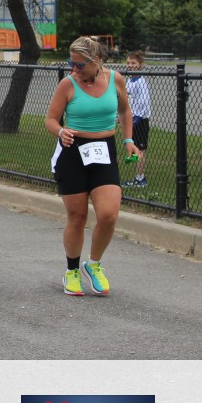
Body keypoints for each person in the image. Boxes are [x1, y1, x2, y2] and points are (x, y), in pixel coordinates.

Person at [45, 36, 139, 296]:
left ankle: (94, 264)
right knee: (77, 217)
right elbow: (51, 119)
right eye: (71, 63)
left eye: (79, 64)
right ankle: (72, 270)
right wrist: (61, 131)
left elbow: (125, 111)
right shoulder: (68, 84)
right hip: (72, 152)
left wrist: (128, 140)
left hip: (104, 152)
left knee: (108, 215)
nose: (74, 69)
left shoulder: (115, 79)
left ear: (96, 60)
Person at [123, 50, 151, 188]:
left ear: (140, 64)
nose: (130, 65)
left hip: (140, 120)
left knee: (140, 149)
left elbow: (143, 102)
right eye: (128, 63)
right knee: (134, 147)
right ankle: (134, 167)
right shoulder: (130, 81)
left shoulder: (141, 81)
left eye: (133, 63)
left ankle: (140, 179)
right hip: (132, 118)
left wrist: (137, 117)